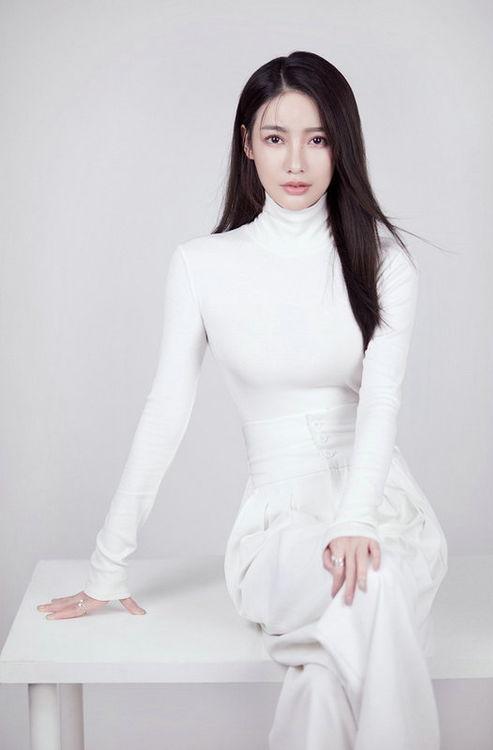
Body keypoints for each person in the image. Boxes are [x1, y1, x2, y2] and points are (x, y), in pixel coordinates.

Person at [36, 50, 448, 749]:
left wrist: (356, 521)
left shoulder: (383, 260)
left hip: (385, 516)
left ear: (342, 146)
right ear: (248, 144)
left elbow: (382, 400)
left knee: (329, 662)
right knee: (370, 593)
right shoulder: (204, 265)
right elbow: (166, 412)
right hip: (277, 531)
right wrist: (107, 567)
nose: (297, 161)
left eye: (318, 139)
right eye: (276, 137)